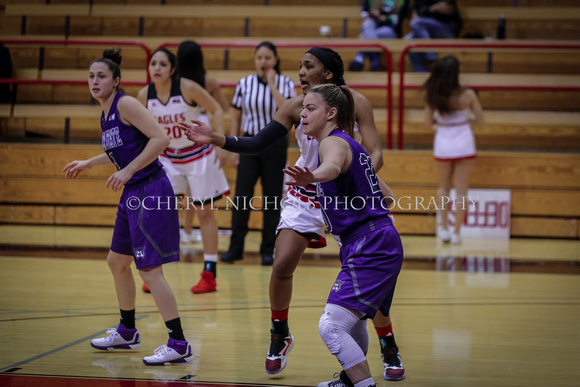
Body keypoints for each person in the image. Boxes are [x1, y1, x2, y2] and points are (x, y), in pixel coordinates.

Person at [180, 47, 405, 381]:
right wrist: (215, 138)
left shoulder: (356, 102)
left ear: (328, 73)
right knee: (282, 262)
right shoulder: (294, 104)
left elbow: (374, 152)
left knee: (365, 274)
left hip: (342, 189)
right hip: (306, 189)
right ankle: (279, 332)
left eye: (308, 66)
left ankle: (387, 343)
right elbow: (258, 142)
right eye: (299, 65)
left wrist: (357, 180)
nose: (300, 71)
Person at [63, 49, 193, 366]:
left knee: (149, 270)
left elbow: (161, 139)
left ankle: (178, 342)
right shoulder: (106, 111)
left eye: (101, 76)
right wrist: (90, 163)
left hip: (151, 189)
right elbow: (118, 149)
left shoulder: (126, 103)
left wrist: (127, 170)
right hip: (133, 192)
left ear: (116, 81)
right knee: (117, 262)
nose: (95, 81)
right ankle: (127, 331)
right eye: (91, 76)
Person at [283, 84, 404, 387]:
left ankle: (363, 385)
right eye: (303, 107)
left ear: (331, 113)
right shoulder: (353, 145)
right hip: (373, 240)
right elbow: (385, 196)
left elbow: (333, 166)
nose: (303, 113)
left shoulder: (331, 144)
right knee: (352, 321)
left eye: (311, 108)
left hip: (370, 244)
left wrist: (314, 175)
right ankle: (352, 382)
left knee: (331, 326)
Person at [136, 47, 229, 294]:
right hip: (168, 158)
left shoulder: (187, 87)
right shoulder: (145, 94)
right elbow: (139, 129)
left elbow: (217, 109)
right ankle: (154, 273)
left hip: (198, 156)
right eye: (153, 63)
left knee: (205, 214)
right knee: (162, 213)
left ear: (172, 69)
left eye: (162, 64)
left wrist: (220, 142)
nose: (156, 68)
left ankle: (210, 274)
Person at [220, 41, 296, 267]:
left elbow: (288, 110)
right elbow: (235, 116)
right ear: (255, 60)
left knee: (272, 199)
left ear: (275, 60)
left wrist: (272, 84)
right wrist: (234, 147)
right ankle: (235, 249)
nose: (263, 62)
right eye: (259, 58)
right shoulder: (244, 83)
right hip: (249, 143)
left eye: (268, 58)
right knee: (242, 197)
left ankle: (267, 250)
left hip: (275, 144)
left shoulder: (285, 83)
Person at [423, 55, 484, 244]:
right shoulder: (469, 94)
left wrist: (441, 121)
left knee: (444, 188)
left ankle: (443, 228)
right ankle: (457, 232)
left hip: (443, 142)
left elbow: (427, 122)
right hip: (464, 141)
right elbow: (481, 120)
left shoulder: (433, 94)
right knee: (461, 190)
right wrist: (467, 118)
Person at [175, 40, 230, 245]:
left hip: (180, 132)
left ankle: (183, 230)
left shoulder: (175, 82)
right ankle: (189, 230)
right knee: (197, 192)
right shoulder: (208, 81)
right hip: (203, 130)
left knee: (182, 189)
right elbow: (222, 108)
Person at [349, 0, 408, 72]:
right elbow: (364, 13)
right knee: (368, 23)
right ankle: (375, 60)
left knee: (365, 35)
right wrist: (370, 15)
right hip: (372, 27)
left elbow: (401, 16)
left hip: (390, 29)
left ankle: (359, 58)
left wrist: (380, 16)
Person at [405, 0, 463, 72]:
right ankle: (421, 76)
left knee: (416, 23)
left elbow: (447, 10)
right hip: (425, 32)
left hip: (446, 29)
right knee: (408, 40)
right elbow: (416, 14)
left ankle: (431, 60)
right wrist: (432, 8)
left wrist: (425, 12)